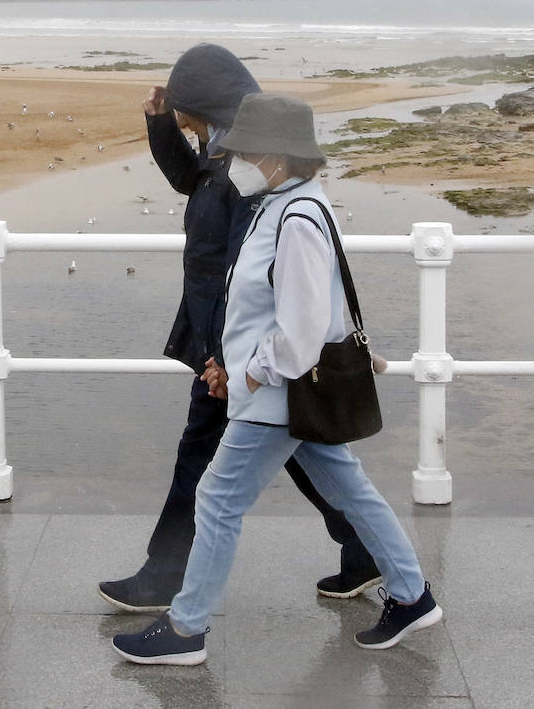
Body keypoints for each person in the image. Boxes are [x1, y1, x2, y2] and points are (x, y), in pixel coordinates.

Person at [112, 92, 442, 666]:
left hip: (281, 394)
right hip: (284, 390)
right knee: (352, 492)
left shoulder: (298, 217)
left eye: (248, 150)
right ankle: (412, 598)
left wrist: (254, 374)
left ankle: (186, 629)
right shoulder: (281, 204)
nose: (235, 159)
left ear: (278, 156)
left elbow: (305, 327)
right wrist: (230, 366)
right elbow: (264, 310)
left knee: (216, 499)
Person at [98, 44, 377, 615]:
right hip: (227, 340)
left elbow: (243, 268)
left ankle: (166, 577)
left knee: (201, 453)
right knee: (306, 445)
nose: (181, 119)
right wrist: (158, 124)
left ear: (205, 102)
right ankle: (366, 551)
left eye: (183, 110)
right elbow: (188, 181)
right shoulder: (225, 153)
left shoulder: (244, 167)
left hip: (233, 345)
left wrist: (227, 357)